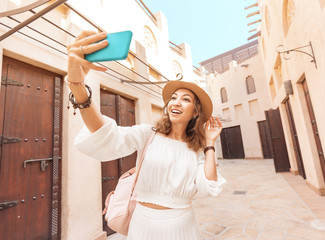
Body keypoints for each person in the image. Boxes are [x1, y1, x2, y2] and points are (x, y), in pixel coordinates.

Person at [67, 30, 226, 240]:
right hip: (143, 226)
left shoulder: (197, 149)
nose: (176, 102)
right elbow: (105, 135)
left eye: (186, 99)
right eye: (173, 98)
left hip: (183, 227)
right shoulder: (147, 134)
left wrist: (209, 143)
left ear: (195, 112)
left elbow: (208, 187)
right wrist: (77, 85)